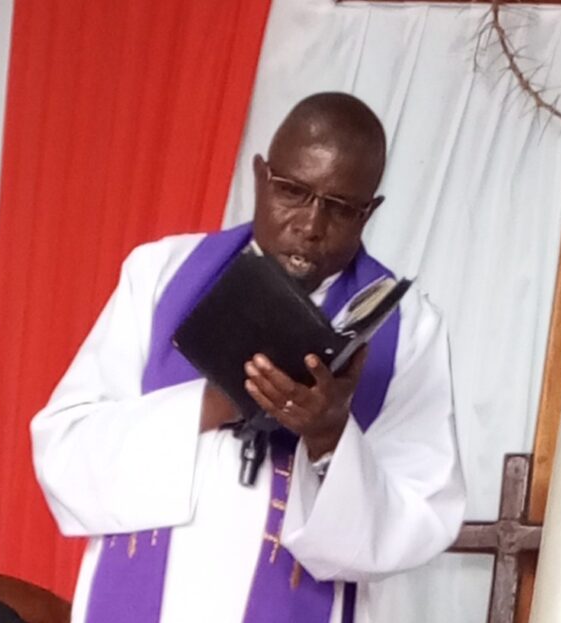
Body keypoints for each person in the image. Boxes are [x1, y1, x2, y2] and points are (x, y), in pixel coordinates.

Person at [31, 92, 465, 623]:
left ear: (369, 211)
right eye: (293, 191)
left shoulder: (410, 329)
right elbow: (65, 454)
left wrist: (328, 437)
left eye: (339, 207)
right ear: (261, 177)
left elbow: (420, 516)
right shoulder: (160, 273)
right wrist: (218, 402)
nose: (311, 224)